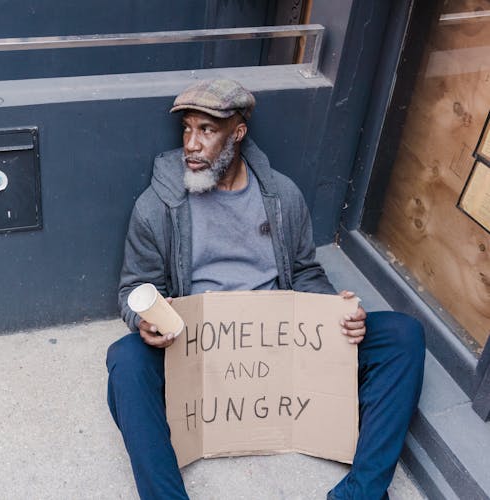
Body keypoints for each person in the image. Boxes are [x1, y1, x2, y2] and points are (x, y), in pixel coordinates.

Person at [106, 79, 425, 500]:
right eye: (187, 129)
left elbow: (306, 273)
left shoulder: (281, 196)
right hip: (196, 351)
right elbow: (135, 288)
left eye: (207, 130)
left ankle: (361, 493)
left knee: (404, 335)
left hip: (280, 348)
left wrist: (335, 310)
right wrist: (144, 320)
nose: (192, 144)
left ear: (237, 133)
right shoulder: (157, 206)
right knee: (125, 360)